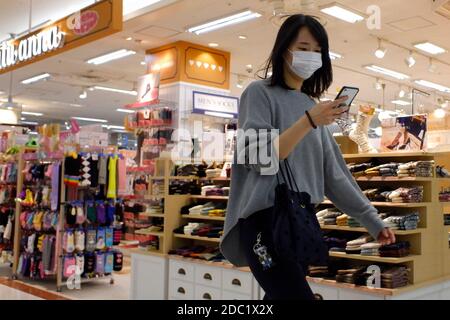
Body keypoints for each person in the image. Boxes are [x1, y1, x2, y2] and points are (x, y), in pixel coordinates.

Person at [220, 14, 396, 300]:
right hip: (265, 223)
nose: (311, 56)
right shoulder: (259, 93)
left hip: (299, 223)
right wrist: (307, 122)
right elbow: (260, 158)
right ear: (283, 49)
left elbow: (335, 176)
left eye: (317, 51)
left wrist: (372, 220)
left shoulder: (311, 106)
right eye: (303, 48)